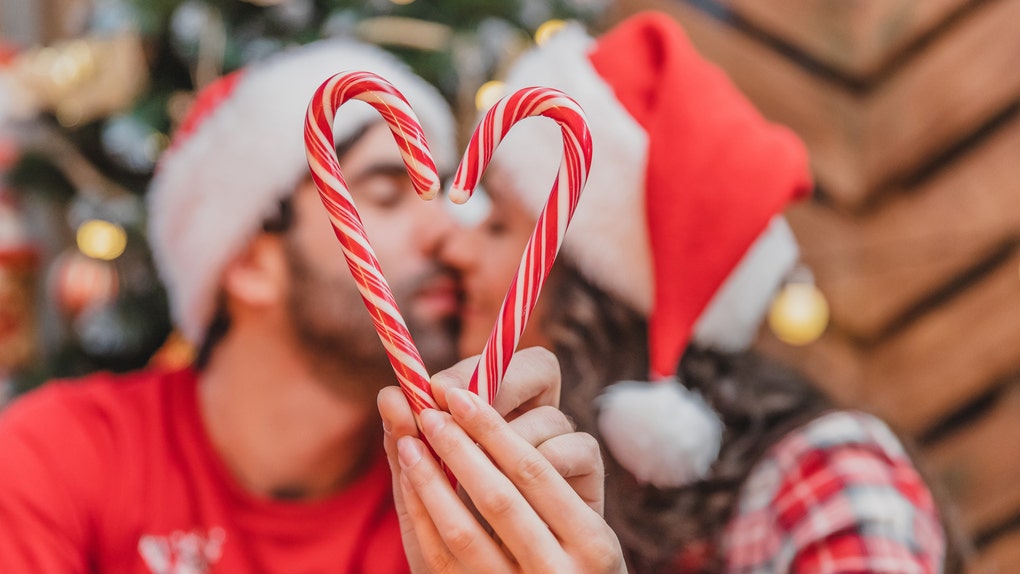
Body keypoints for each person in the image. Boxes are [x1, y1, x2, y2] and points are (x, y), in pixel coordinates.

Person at [386, 12, 952, 573]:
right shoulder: (519, 475)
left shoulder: (826, 475)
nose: (455, 251)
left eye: (498, 226)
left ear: (593, 290)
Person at [0, 38, 589, 573]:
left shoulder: (471, 502)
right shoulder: (55, 460)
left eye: (440, 195)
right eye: (387, 195)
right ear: (251, 263)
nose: (449, 236)